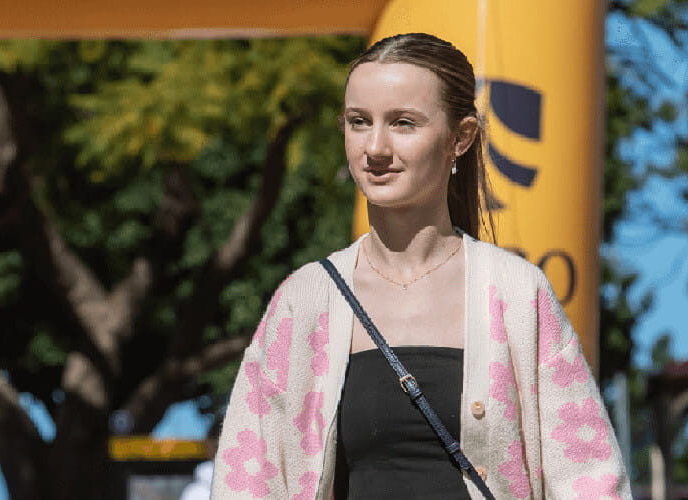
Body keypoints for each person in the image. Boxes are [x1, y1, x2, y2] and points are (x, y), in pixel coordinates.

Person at [212, 33, 630, 499]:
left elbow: (589, 479)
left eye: (403, 123)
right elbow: (246, 482)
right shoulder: (306, 299)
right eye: (358, 122)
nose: (375, 147)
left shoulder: (516, 293)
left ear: (460, 138)